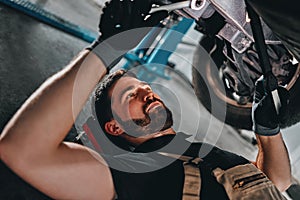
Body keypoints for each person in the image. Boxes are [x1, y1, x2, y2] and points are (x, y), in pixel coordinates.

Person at [0, 0, 292, 199]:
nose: (146, 91)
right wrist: (104, 51)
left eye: (143, 86)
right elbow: (24, 151)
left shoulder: (207, 156)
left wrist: (266, 134)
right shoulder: (125, 173)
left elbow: (276, 183)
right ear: (114, 127)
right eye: (132, 94)